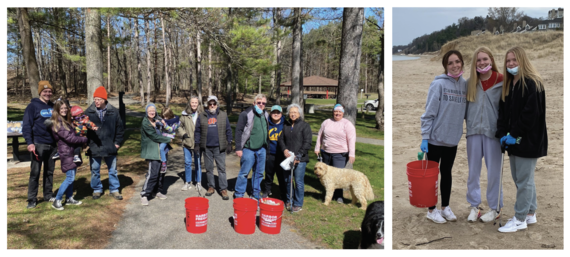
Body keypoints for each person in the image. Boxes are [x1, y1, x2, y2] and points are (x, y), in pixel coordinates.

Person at [496, 46, 547, 233]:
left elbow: (530, 115)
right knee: (520, 178)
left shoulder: (532, 83)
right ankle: (530, 213)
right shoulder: (509, 84)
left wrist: (514, 134)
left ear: (522, 60)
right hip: (513, 141)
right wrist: (502, 133)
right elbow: (504, 112)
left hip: (529, 141)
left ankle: (519, 219)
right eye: (508, 61)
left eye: (514, 60)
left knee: (524, 180)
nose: (511, 64)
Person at [420, 50, 467, 224]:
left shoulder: (465, 85)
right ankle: (431, 210)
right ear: (445, 66)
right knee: (432, 176)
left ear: (462, 63)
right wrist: (425, 137)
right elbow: (429, 112)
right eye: (450, 63)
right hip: (434, 139)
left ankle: (445, 207)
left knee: (447, 173)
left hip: (452, 140)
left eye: (457, 62)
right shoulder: (438, 85)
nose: (455, 65)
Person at [465, 47, 504, 223]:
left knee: (493, 173)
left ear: (491, 60)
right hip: (473, 132)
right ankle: (474, 207)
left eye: (485, 59)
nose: (482, 63)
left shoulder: (502, 81)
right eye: (478, 60)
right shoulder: (470, 83)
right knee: (473, 172)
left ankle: (495, 208)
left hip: (494, 134)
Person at [45, 99, 88, 210]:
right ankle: (57, 200)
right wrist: (84, 139)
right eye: (61, 108)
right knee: (70, 177)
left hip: (70, 151)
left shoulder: (65, 120)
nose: (64, 110)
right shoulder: (58, 122)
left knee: (72, 176)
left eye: (65, 108)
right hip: (66, 152)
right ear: (57, 110)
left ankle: (69, 198)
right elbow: (69, 138)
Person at [84, 86, 125, 200]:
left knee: (112, 170)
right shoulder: (88, 112)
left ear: (104, 100)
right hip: (94, 146)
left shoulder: (114, 112)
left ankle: (114, 189)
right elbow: (82, 130)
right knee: (95, 170)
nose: (96, 101)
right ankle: (97, 189)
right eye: (95, 99)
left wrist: (117, 143)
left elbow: (120, 129)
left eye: (99, 99)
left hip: (110, 146)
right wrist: (86, 144)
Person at [23, 81, 56, 208]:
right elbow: (26, 126)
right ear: (40, 92)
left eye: (49, 91)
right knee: (35, 172)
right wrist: (30, 143)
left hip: (52, 144)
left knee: (49, 172)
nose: (48, 93)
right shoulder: (32, 106)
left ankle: (48, 195)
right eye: (45, 91)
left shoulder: (54, 106)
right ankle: (32, 199)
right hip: (38, 144)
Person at [314, 103, 356, 204]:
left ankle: (339, 197)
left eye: (339, 112)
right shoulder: (326, 122)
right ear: (333, 112)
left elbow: (351, 139)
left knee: (338, 176)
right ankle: (328, 195)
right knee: (326, 175)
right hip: (326, 153)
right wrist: (317, 147)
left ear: (343, 113)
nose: (337, 114)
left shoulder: (347, 124)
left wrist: (352, 153)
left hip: (340, 154)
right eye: (335, 111)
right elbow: (320, 135)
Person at [195, 96, 233, 200]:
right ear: (207, 105)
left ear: (217, 105)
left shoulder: (223, 115)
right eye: (210, 104)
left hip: (219, 147)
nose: (212, 105)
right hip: (206, 147)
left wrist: (229, 142)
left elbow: (228, 130)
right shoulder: (202, 116)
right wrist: (197, 144)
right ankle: (211, 187)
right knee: (209, 168)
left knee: (221, 168)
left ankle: (223, 189)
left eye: (214, 104)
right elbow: (197, 131)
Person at [234, 94, 269, 201]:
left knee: (259, 174)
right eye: (259, 102)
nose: (261, 105)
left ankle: (255, 193)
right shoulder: (246, 114)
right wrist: (238, 148)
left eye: (263, 103)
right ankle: (239, 194)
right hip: (248, 149)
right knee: (244, 173)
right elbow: (238, 131)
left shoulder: (266, 114)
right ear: (254, 103)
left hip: (262, 149)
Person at [278, 104, 312, 212]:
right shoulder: (286, 125)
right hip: (288, 158)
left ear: (299, 114)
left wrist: (299, 156)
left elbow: (307, 143)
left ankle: (297, 203)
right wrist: (284, 150)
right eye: (291, 112)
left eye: (295, 112)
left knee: (298, 181)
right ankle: (289, 200)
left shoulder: (305, 126)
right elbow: (281, 140)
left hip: (300, 159)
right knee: (288, 180)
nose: (293, 114)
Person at [140, 103, 172, 205]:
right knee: (153, 173)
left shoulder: (156, 121)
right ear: (146, 112)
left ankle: (157, 191)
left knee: (161, 173)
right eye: (149, 110)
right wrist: (168, 139)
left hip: (162, 150)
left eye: (153, 110)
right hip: (153, 151)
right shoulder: (146, 123)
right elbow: (154, 137)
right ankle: (144, 194)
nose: (151, 112)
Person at [261, 105, 287, 199]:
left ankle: (283, 193)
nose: (276, 114)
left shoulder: (285, 124)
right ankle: (267, 190)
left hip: (281, 155)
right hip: (270, 153)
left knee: (281, 175)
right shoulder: (267, 123)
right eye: (274, 112)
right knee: (269, 174)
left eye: (278, 112)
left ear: (281, 114)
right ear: (271, 113)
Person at [178, 96, 202, 191]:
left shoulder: (201, 114)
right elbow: (179, 126)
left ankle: (198, 182)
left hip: (198, 143)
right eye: (192, 102)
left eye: (196, 102)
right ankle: (187, 182)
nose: (194, 104)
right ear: (189, 103)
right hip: (187, 143)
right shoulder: (184, 115)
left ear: (198, 104)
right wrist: (183, 134)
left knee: (198, 163)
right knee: (188, 163)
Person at [159, 107, 180, 172]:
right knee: (162, 149)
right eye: (163, 116)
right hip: (162, 136)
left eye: (166, 116)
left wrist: (165, 124)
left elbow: (171, 129)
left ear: (170, 115)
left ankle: (164, 164)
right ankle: (164, 156)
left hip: (168, 136)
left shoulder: (175, 122)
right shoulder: (163, 120)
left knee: (161, 148)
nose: (165, 118)